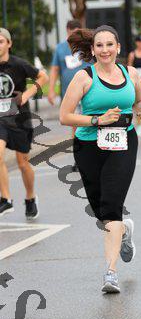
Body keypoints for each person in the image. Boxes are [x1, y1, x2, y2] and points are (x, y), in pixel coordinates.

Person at [60, 25, 141, 293]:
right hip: (88, 146)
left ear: (118, 47)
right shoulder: (84, 77)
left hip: (124, 143)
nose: (105, 50)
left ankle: (110, 273)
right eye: (99, 45)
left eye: (110, 44)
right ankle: (123, 230)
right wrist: (97, 120)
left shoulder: (130, 73)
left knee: (111, 206)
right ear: (92, 49)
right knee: (102, 212)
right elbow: (65, 116)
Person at [0, 28, 48, 218]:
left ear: (9, 44)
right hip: (0, 120)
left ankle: (30, 197)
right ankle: (6, 199)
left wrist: (26, 95)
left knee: (22, 164)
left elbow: (43, 77)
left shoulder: (18, 64)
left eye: (1, 41)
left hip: (19, 120)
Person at [48, 19, 90, 171]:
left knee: (90, 124)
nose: (74, 36)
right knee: (76, 126)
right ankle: (79, 159)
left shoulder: (87, 46)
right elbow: (54, 69)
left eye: (77, 33)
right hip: (70, 94)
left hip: (88, 92)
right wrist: (51, 90)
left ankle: (91, 155)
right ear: (67, 31)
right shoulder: (60, 48)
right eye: (71, 33)